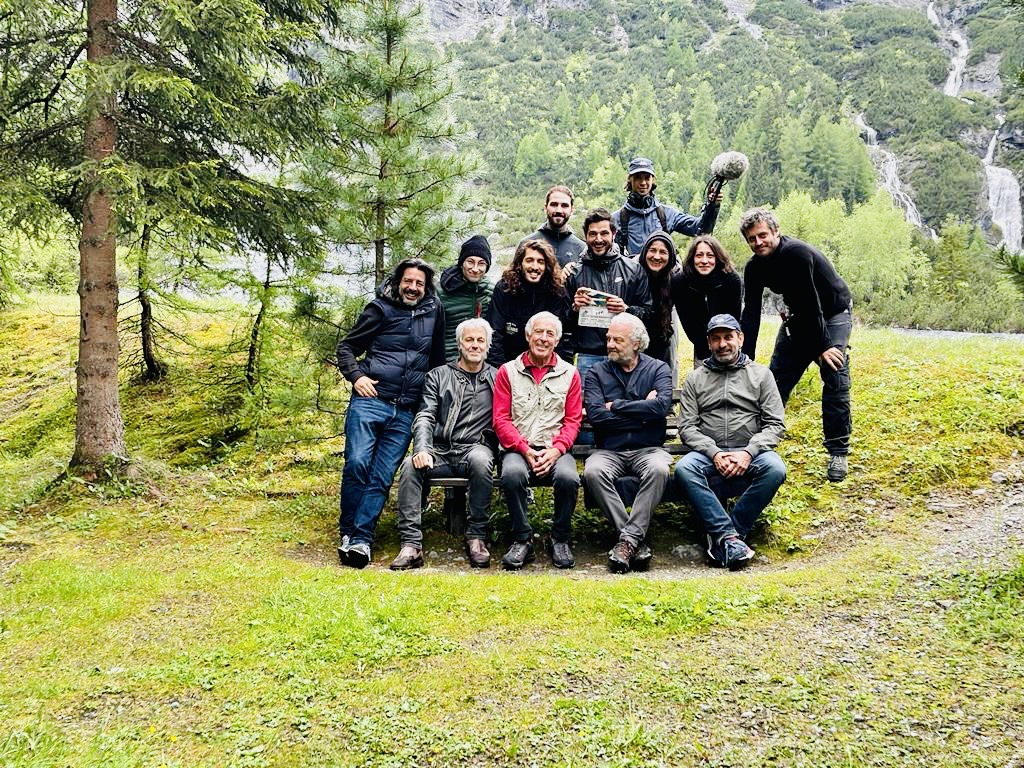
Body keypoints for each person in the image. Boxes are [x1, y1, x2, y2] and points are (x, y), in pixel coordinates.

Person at [335, 258, 446, 568]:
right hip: (371, 401)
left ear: (426, 288)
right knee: (357, 463)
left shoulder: (434, 311)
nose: (413, 287)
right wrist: (356, 376)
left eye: (419, 284)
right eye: (408, 281)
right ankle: (348, 532)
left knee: (382, 476)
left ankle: (361, 540)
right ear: (399, 281)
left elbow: (436, 359)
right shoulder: (380, 309)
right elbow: (347, 347)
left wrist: (431, 402)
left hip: (406, 409)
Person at [738, 208, 853, 482]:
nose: (758, 243)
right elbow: (751, 313)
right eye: (752, 239)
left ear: (776, 232)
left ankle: (838, 451)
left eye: (763, 235)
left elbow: (811, 300)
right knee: (774, 382)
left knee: (834, 371)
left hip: (833, 312)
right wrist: (745, 357)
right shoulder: (754, 267)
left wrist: (823, 346)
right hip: (799, 316)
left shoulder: (796, 253)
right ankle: (758, 446)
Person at [674, 314, 787, 570]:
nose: (722, 344)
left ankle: (726, 535)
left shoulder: (761, 375)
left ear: (740, 338)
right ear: (709, 343)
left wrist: (749, 452)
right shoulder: (696, 378)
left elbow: (775, 425)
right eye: (716, 339)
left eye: (728, 337)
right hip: (708, 454)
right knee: (684, 469)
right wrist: (714, 453)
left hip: (751, 451)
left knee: (775, 468)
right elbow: (687, 427)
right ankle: (731, 539)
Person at [391, 318, 497, 570]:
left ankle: (476, 537)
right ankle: (411, 544)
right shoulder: (438, 376)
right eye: (469, 340)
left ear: (488, 345)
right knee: (409, 466)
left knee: (483, 460)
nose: (474, 345)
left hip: (474, 449)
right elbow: (425, 415)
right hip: (439, 450)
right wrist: (422, 448)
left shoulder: (498, 377)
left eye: (480, 340)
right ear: (459, 344)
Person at [582, 314, 673, 574]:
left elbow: (660, 408)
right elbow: (598, 416)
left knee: (658, 470)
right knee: (593, 472)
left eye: (617, 340)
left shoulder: (658, 369)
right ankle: (633, 539)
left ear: (636, 343)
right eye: (608, 338)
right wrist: (642, 413)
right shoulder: (596, 372)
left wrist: (618, 407)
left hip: (649, 449)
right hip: (609, 450)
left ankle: (626, 542)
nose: (609, 343)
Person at [493, 311, 582, 570]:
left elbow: (573, 420)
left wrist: (556, 450)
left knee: (569, 478)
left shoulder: (570, 373)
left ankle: (560, 538)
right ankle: (522, 539)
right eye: (538, 332)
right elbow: (501, 419)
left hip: (556, 449)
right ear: (527, 335)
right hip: (517, 449)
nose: (543, 338)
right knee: (511, 475)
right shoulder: (507, 371)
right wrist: (524, 449)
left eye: (550, 334)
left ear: (556, 341)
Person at [564, 208, 652, 383]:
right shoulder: (574, 273)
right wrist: (575, 309)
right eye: (593, 234)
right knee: (588, 409)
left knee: (623, 408)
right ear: (586, 236)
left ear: (614, 234)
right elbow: (563, 322)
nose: (598, 239)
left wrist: (627, 310)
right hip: (588, 357)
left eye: (604, 233)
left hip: (626, 355)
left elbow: (649, 314)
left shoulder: (633, 270)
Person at [612, 157, 721, 257]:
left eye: (647, 178)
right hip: (632, 277)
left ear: (653, 179)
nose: (643, 182)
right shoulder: (616, 219)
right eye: (638, 178)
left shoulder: (666, 214)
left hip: (662, 277)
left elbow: (700, 229)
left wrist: (712, 206)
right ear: (630, 180)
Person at [486, 238, 569, 367]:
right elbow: (495, 332)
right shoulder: (505, 288)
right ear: (520, 263)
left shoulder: (556, 291)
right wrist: (499, 370)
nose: (534, 267)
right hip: (509, 362)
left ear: (547, 266)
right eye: (529, 260)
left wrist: (555, 370)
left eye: (540, 262)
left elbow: (559, 336)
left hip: (543, 364)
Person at [672, 235, 743, 362]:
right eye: (699, 255)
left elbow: (734, 319)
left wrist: (724, 345)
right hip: (701, 345)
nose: (704, 261)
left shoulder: (732, 281)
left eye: (710, 256)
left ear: (717, 257)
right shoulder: (680, 283)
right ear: (692, 258)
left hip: (729, 343)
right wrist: (705, 347)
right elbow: (688, 323)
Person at [438, 234, 495, 361]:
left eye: (481, 263)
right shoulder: (441, 292)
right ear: (461, 263)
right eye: (470, 262)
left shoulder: (492, 292)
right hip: (448, 363)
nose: (475, 269)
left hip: (480, 363)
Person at [636, 230, 680, 368]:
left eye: (663, 252)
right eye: (652, 250)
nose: (656, 256)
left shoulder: (675, 281)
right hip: (635, 343)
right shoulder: (633, 276)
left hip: (661, 342)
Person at [520, 185, 587, 267]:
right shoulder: (526, 243)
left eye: (564, 205)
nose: (559, 210)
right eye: (554, 205)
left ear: (572, 210)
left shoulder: (581, 249)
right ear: (545, 207)